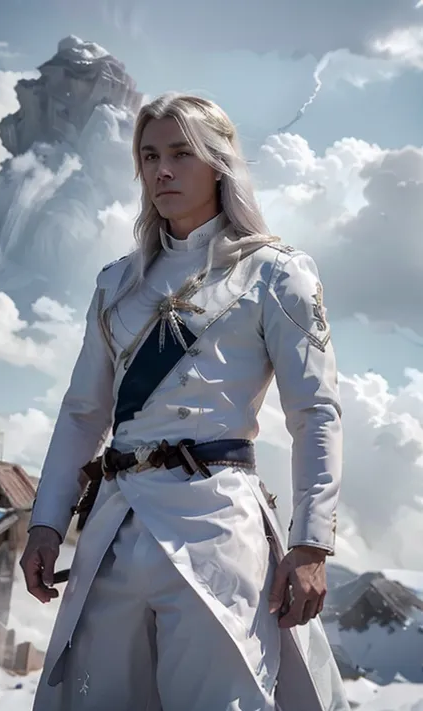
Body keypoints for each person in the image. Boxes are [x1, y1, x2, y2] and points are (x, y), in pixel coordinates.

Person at [21, 93, 350, 711]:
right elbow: (82, 414)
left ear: (220, 163)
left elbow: (315, 415)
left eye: (180, 153)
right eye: (149, 156)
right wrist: (45, 523)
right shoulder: (116, 283)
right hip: (115, 525)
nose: (161, 170)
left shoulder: (276, 274)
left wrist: (310, 545)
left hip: (217, 530)